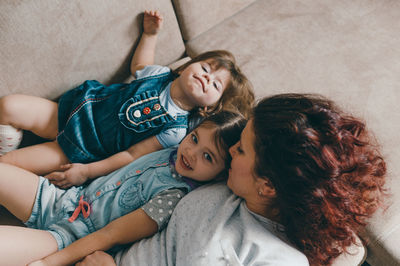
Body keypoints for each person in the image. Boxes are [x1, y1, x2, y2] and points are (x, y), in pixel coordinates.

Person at [77, 93, 386, 266]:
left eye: (240, 148)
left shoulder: (274, 259)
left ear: (268, 185)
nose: (231, 148)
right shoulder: (233, 187)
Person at [0, 10, 254, 189]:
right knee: (8, 105)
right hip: (72, 110)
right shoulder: (160, 74)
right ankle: (6, 143)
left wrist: (86, 172)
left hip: (78, 147)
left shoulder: (175, 130)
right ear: (189, 65)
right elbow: (139, 64)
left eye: (215, 84)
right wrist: (150, 35)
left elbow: (132, 155)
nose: (206, 78)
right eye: (206, 68)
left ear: (209, 106)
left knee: (6, 167)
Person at [0, 111, 246, 266]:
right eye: (194, 139)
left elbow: (110, 236)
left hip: (70, 239)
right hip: (64, 199)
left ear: (220, 175)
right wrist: (85, 171)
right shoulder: (171, 146)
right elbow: (129, 155)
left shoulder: (173, 197)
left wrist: (49, 262)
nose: (192, 153)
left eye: (208, 157)